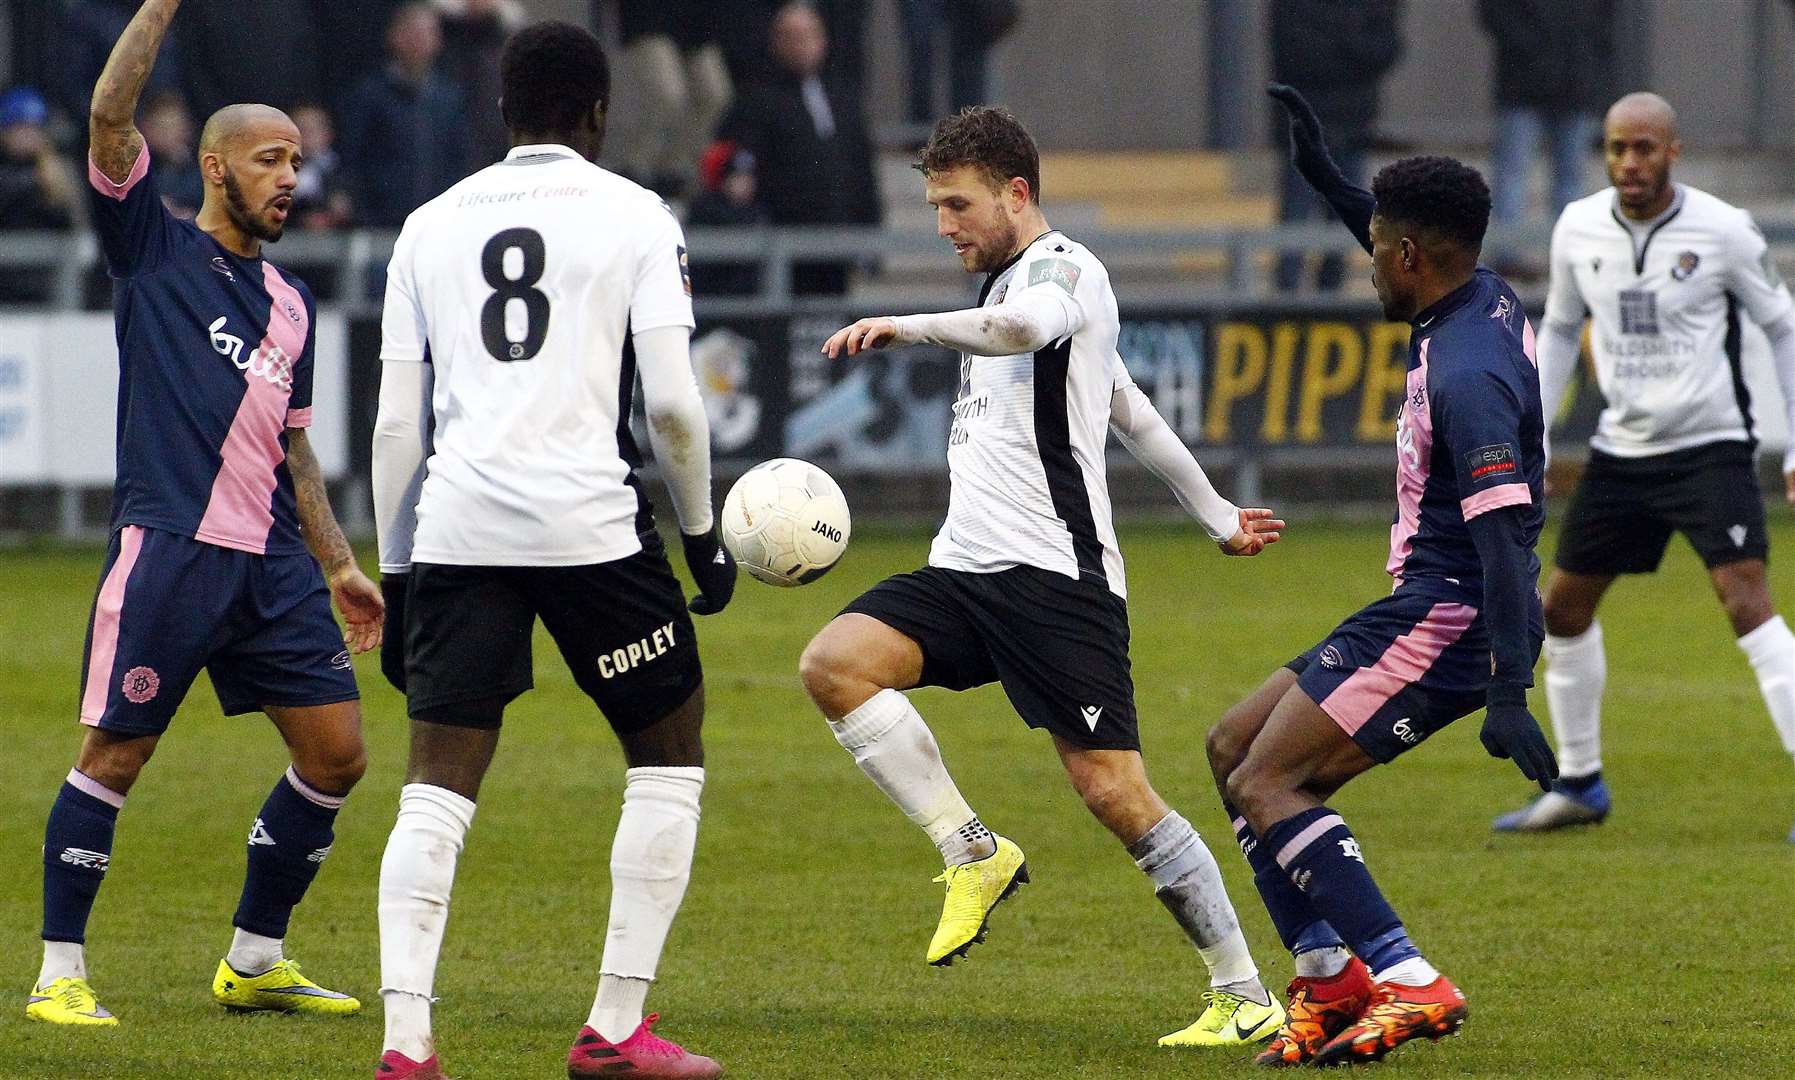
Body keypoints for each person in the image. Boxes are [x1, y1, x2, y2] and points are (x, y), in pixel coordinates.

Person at [807, 105, 1289, 1049]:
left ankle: (1242, 992)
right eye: (936, 205)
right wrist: (1219, 516)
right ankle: (969, 850)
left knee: (1114, 793)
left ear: (1015, 193)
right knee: (834, 665)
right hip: (964, 570)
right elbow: (1131, 413)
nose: (944, 224)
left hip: (1054, 581)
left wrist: (907, 325)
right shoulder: (1001, 284)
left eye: (957, 204)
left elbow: (1023, 329)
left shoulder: (1062, 272)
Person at [370, 21, 736, 1080]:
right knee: (667, 758)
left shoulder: (428, 226)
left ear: (501, 111)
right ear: (599, 114)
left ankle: (407, 1049)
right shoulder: (633, 214)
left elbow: (399, 426)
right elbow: (672, 400)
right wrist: (701, 534)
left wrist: (398, 577)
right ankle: (615, 1031)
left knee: (435, 789)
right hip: (591, 531)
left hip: (457, 529)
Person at [26, 0, 382, 1028]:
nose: (290, 178)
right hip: (171, 546)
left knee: (336, 755)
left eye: (298, 161)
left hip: (271, 563)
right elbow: (105, 116)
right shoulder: (153, 251)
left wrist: (337, 563)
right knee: (117, 754)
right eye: (271, 158)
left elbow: (294, 446)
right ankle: (58, 972)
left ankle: (255, 959)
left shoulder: (293, 307)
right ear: (217, 167)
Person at [1206, 85, 1556, 1067]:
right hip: (1423, 602)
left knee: (1271, 781)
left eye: (1373, 249)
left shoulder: (1466, 376)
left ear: (1406, 259)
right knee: (1231, 748)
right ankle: (1329, 982)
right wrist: (1323, 172)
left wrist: (1508, 690)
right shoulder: (1472, 288)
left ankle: (1407, 980)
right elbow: (1393, 221)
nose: (1366, 260)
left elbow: (1499, 542)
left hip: (1451, 612)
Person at [1492, 93, 1795, 839]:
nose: (1630, 163)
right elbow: (1560, 328)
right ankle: (1580, 784)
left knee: (1744, 604)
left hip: (1709, 447)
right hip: (1621, 451)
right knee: (1560, 610)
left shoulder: (1722, 230)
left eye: (1645, 149)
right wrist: (1529, 436)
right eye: (1617, 148)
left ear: (1673, 151)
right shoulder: (1578, 226)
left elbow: (1780, 326)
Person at [721, 1, 880, 295]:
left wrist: (871, 239)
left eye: (808, 35)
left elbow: (861, 172)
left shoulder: (843, 98)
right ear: (776, 42)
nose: (801, 45)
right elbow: (737, 158)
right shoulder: (758, 100)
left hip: (837, 241)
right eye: (791, 37)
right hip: (785, 242)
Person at [1268, 0, 1403, 293]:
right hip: (1305, 125)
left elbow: (1387, 48)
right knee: (1296, 218)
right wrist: (1352, 48)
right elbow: (1296, 55)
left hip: (1354, 127)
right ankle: (1285, 299)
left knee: (1345, 221)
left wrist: (1338, 43)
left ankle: (1330, 296)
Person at [1479, 0, 1614, 232]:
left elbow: (1605, 20)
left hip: (1574, 80)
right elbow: (1494, 13)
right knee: (1515, 172)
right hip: (1524, 83)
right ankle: (1508, 249)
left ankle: (1567, 247)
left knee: (1569, 176)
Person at [341, 2, 471, 228]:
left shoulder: (450, 98)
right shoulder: (370, 94)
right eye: (412, 33)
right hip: (382, 224)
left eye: (426, 33)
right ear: (394, 37)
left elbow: (458, 157)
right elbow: (352, 156)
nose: (419, 41)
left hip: (438, 222)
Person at [604, 0, 732, 197]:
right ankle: (637, 166)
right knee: (668, 94)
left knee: (715, 94)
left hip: (696, 20)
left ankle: (677, 169)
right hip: (651, 19)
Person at [0, 86, 81, 302]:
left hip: (48, 283)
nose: (28, 135)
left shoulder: (59, 170)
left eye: (34, 128)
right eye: (20, 127)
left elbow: (73, 223)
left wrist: (55, 189)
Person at [139, 89, 204, 216]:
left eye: (177, 127)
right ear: (147, 130)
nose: (172, 135)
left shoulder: (200, 166)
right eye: (163, 129)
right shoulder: (140, 168)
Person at [287, 102, 351, 230]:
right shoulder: (274, 174)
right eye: (299, 129)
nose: (305, 137)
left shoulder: (346, 172)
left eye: (312, 130)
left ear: (328, 134)